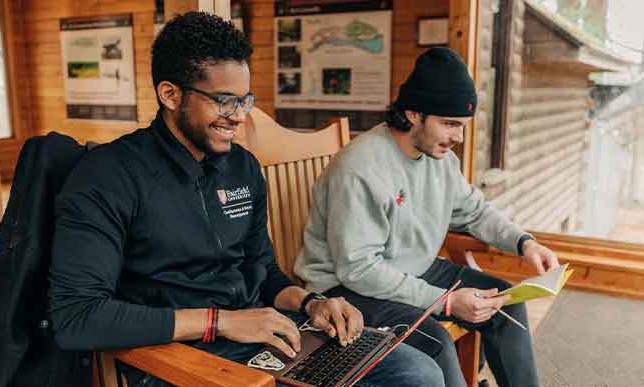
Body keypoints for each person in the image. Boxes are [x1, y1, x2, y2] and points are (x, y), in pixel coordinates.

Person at [47, 11, 444, 387]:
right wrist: (219, 322)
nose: (239, 116)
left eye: (245, 100)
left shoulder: (243, 168)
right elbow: (77, 316)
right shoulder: (107, 176)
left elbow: (263, 270)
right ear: (170, 94)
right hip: (177, 359)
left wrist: (312, 303)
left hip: (261, 336)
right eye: (224, 101)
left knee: (418, 373)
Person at [294, 47, 560, 387]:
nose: (459, 138)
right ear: (414, 113)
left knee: (506, 304)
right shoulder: (360, 168)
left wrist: (525, 243)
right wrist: (446, 302)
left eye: (462, 126)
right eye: (449, 124)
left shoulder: (440, 160)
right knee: (437, 345)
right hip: (349, 287)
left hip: (414, 268)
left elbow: (475, 210)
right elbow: (357, 268)